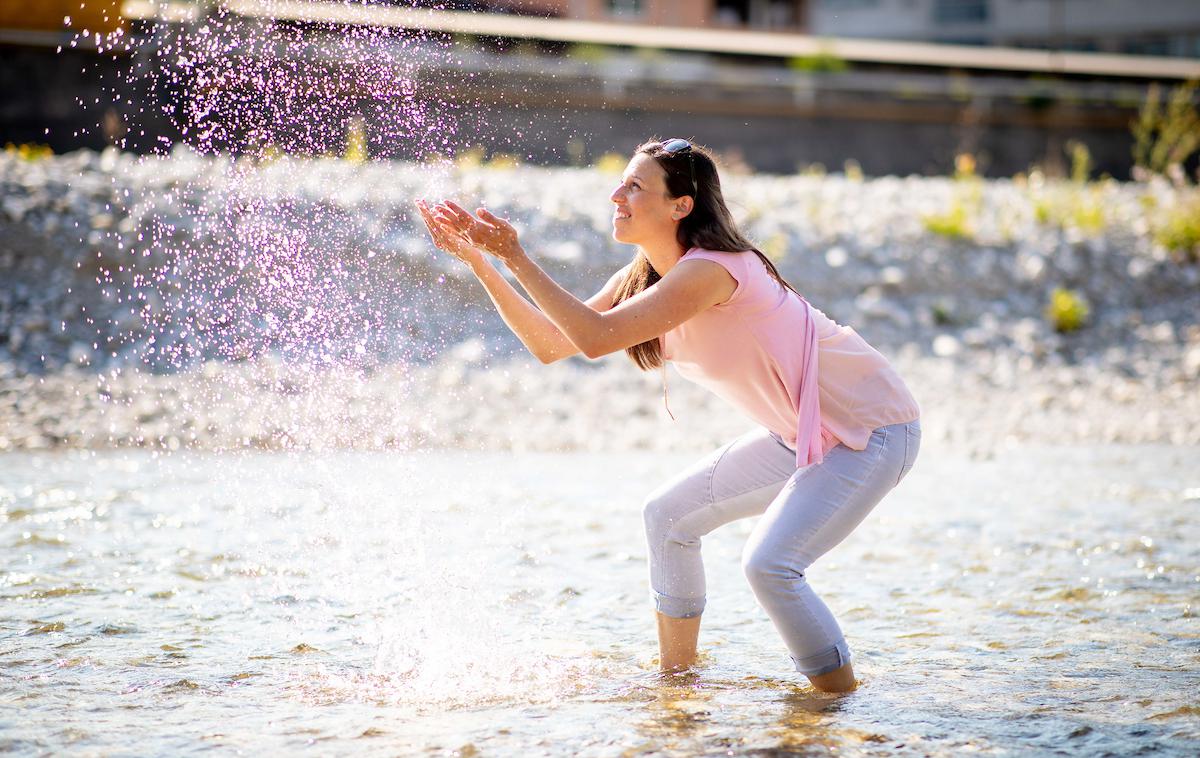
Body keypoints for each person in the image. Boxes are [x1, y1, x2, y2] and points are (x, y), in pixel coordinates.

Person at [415, 138, 921, 693]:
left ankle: (835, 709)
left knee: (770, 567)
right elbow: (550, 343)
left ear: (682, 205)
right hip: (797, 435)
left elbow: (595, 338)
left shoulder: (716, 271)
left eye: (635, 185)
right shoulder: (645, 275)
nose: (617, 194)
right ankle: (677, 687)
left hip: (872, 430)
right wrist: (483, 265)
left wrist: (517, 256)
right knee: (667, 517)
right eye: (621, 183)